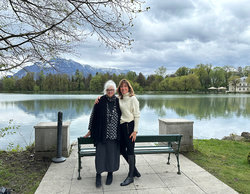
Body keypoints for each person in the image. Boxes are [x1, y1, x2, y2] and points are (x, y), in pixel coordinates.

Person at [84, 80, 121, 188]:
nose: (110, 91)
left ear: (115, 90)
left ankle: (110, 174)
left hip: (114, 134)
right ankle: (98, 175)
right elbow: (93, 116)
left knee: (112, 155)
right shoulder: (100, 101)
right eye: (108, 90)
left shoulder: (119, 101)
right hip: (101, 134)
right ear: (105, 91)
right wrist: (90, 130)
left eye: (112, 90)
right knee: (100, 155)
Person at [117, 79, 140, 186]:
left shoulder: (133, 99)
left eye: (125, 86)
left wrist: (135, 131)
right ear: (119, 88)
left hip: (129, 127)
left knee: (130, 151)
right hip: (121, 127)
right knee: (121, 149)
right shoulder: (119, 98)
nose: (123, 88)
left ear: (129, 88)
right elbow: (107, 97)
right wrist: (98, 99)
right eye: (121, 87)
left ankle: (131, 176)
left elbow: (137, 115)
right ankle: (134, 170)